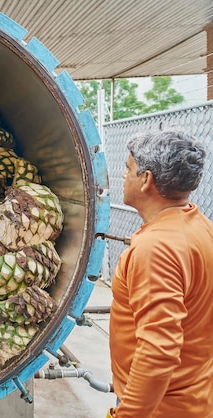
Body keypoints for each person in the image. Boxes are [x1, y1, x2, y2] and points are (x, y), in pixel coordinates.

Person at [108, 129, 213, 418]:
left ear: (147, 180)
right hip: (194, 396)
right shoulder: (199, 224)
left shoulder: (156, 248)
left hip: (161, 409)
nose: (123, 176)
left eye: (128, 169)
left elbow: (158, 351)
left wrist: (128, 414)